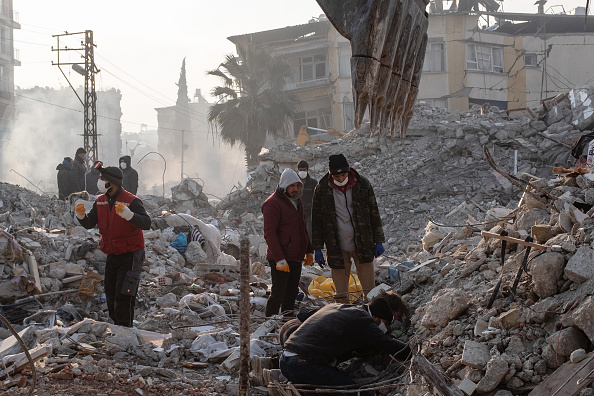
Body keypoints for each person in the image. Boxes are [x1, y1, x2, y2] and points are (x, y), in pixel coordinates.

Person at [281, 294, 411, 395]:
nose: (386, 327)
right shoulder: (363, 320)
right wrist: (414, 351)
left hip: (285, 361)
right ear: (378, 317)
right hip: (304, 365)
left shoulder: (340, 307)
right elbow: (388, 345)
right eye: (387, 323)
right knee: (360, 394)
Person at [75, 165, 151, 327]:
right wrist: (81, 216)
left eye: (103, 179)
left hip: (131, 254)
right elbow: (89, 223)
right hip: (112, 253)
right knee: (110, 293)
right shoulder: (101, 201)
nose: (99, 182)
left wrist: (130, 215)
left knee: (124, 294)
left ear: (113, 183)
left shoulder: (131, 201)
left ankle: (125, 329)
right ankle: (117, 326)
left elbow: (146, 223)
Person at [311, 154, 385, 298]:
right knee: (341, 294)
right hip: (336, 246)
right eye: (336, 177)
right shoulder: (322, 189)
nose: (340, 179)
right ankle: (344, 316)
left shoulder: (362, 185)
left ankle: (371, 315)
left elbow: (374, 213)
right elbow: (317, 221)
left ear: (348, 171)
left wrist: (379, 240)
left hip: (363, 243)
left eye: (343, 175)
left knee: (370, 292)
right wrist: (317, 248)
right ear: (330, 174)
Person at [262, 168, 313, 317]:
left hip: (295, 255)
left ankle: (287, 322)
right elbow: (269, 233)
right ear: (284, 185)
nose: (295, 189)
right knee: (278, 293)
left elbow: (302, 227)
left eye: (297, 185)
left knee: (291, 293)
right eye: (292, 186)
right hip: (280, 257)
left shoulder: (298, 201)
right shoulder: (272, 203)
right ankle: (269, 324)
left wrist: (308, 249)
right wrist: (279, 259)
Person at [296, 160, 318, 238]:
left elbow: (317, 198)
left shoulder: (313, 183)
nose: (302, 172)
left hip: (309, 213)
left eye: (304, 170)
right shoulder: (294, 183)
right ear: (297, 170)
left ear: (307, 170)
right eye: (300, 170)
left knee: (309, 234)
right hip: (297, 213)